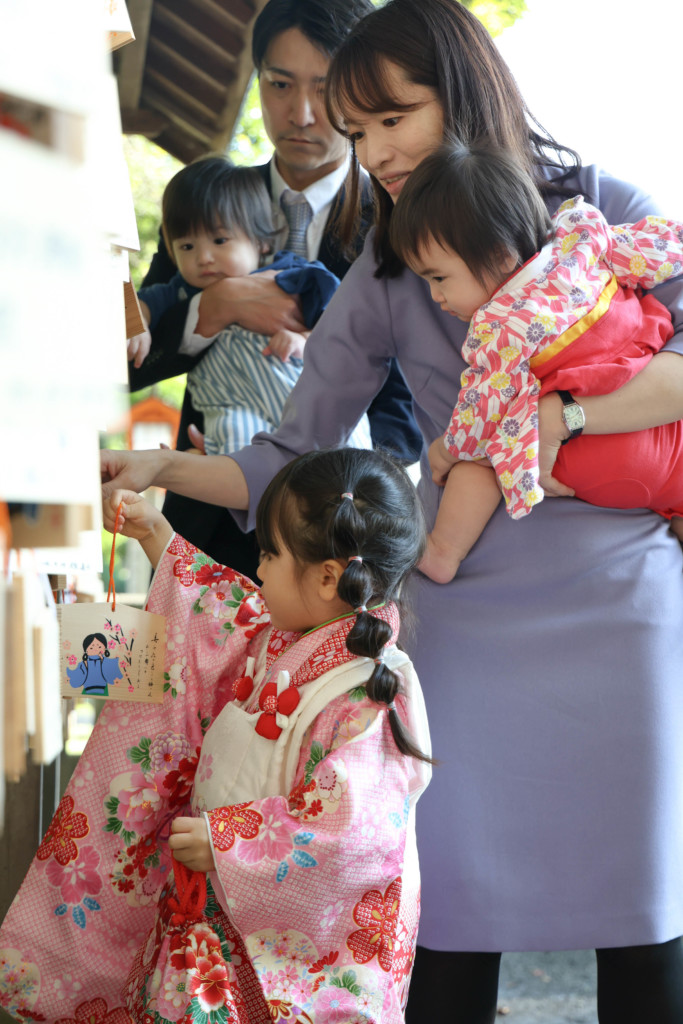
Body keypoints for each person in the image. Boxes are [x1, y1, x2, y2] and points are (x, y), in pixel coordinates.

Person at [99, 1, 683, 1021]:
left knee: (645, 919)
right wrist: (160, 465)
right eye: (356, 131)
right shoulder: (382, 265)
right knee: (446, 918)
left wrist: (554, 418)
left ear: (460, 91)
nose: (372, 153)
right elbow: (290, 454)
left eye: (391, 119)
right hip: (457, 615)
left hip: (621, 605)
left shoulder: (600, 204)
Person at [0, 448, 432, 1024]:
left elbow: (351, 836)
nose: (259, 569)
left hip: (278, 941)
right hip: (212, 911)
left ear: (329, 577)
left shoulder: (372, 693)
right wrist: (156, 534)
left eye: (270, 554)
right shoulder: (290, 633)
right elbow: (223, 612)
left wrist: (228, 844)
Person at [131, 0, 422, 577]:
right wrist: (212, 307)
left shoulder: (399, 219)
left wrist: (334, 493)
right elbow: (129, 360)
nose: (302, 114)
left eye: (325, 89)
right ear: (258, 77)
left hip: (331, 546)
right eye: (280, 84)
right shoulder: (208, 202)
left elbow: (406, 408)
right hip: (206, 520)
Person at [387, 140, 683, 582]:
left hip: (602, 457)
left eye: (439, 277)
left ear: (499, 255)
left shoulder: (502, 330)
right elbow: (655, 249)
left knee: (484, 453)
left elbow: (480, 415)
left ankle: (443, 551)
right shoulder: (582, 242)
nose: (435, 296)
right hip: (668, 432)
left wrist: (445, 450)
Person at [134, 155, 371, 456]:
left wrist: (303, 338)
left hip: (295, 395)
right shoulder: (179, 290)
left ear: (261, 242)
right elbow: (141, 303)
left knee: (337, 448)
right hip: (231, 406)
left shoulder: (288, 273)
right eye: (187, 247)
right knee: (237, 450)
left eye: (220, 240)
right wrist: (137, 325)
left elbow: (338, 324)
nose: (203, 257)